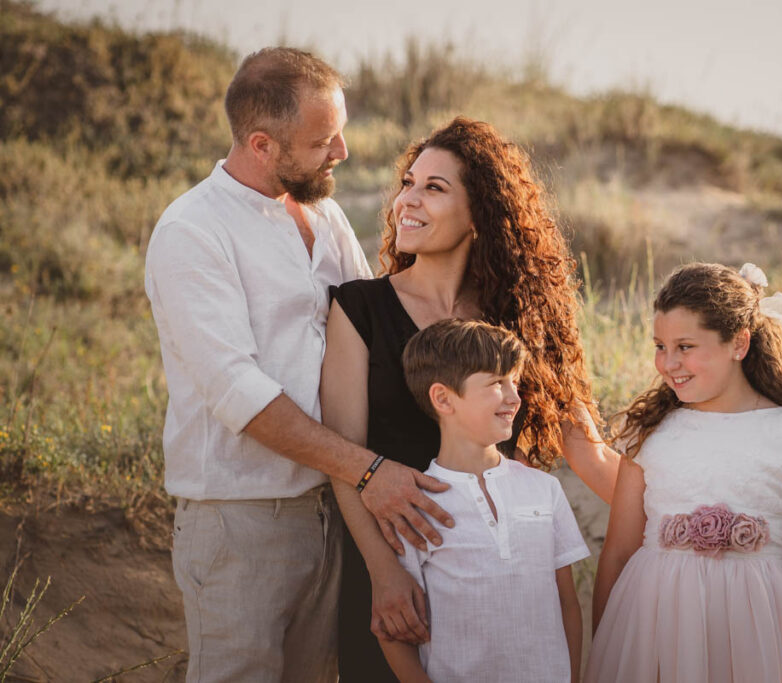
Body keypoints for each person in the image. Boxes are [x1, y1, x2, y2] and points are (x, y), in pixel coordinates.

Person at [145, 47, 451, 681]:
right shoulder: (193, 233)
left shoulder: (325, 213)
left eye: (339, 130)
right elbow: (240, 394)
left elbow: (373, 332)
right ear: (262, 144)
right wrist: (369, 470)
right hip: (241, 521)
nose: (341, 150)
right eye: (322, 140)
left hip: (330, 510)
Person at [321, 117, 620, 680]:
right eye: (407, 183)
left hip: (506, 588)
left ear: (481, 211)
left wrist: (689, 507)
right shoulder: (358, 308)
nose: (407, 200)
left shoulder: (523, 321)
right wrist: (385, 575)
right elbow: (344, 457)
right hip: (398, 567)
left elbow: (590, 453)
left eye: (434, 188)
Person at [585, 262, 782, 683]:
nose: (668, 363)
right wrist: (607, 650)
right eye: (660, 346)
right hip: (652, 629)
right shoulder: (648, 433)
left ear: (739, 343)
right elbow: (616, 553)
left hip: (759, 634)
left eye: (685, 346)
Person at [378, 318, 589, 682]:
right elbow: (394, 627)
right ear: (443, 398)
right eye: (496, 384)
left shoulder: (545, 489)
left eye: (515, 382)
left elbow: (567, 603)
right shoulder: (414, 505)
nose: (513, 397)